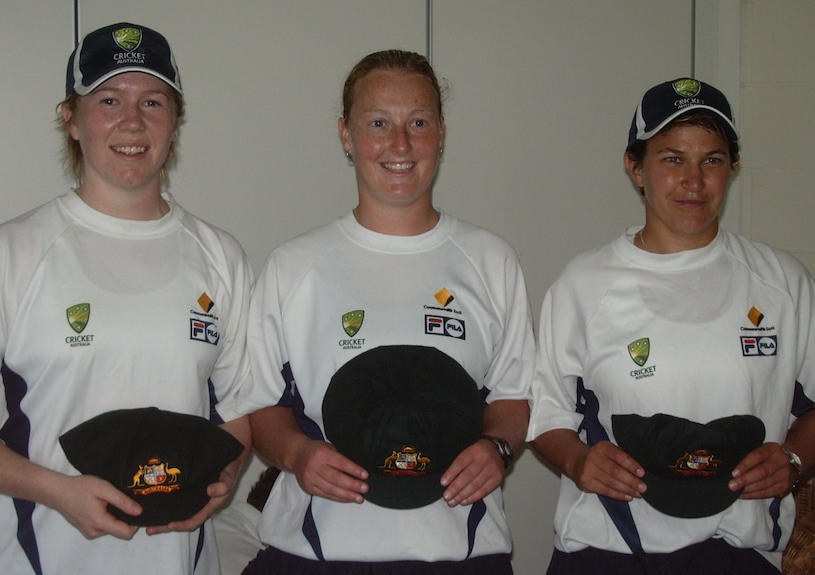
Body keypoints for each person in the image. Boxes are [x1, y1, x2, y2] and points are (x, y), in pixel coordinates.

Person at [0, 22, 253, 574]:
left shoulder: (220, 257)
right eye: (109, 99)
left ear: (175, 120)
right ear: (71, 118)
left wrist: (226, 478)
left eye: (153, 101)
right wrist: (56, 491)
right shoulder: (8, 255)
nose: (132, 122)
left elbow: (235, 414)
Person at [238, 49, 534, 574]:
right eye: (378, 123)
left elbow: (512, 399)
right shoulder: (294, 266)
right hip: (317, 555)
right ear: (346, 135)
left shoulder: (491, 260)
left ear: (441, 132)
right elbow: (265, 409)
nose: (400, 144)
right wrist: (298, 456)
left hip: (459, 554)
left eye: (418, 122)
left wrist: (498, 450)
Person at [527, 77, 815, 574]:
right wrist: (577, 462)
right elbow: (546, 413)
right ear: (635, 167)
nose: (694, 181)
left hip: (737, 556)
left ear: (733, 167)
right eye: (672, 158)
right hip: (608, 553)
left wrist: (793, 462)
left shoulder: (781, 282)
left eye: (713, 159)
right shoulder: (585, 283)